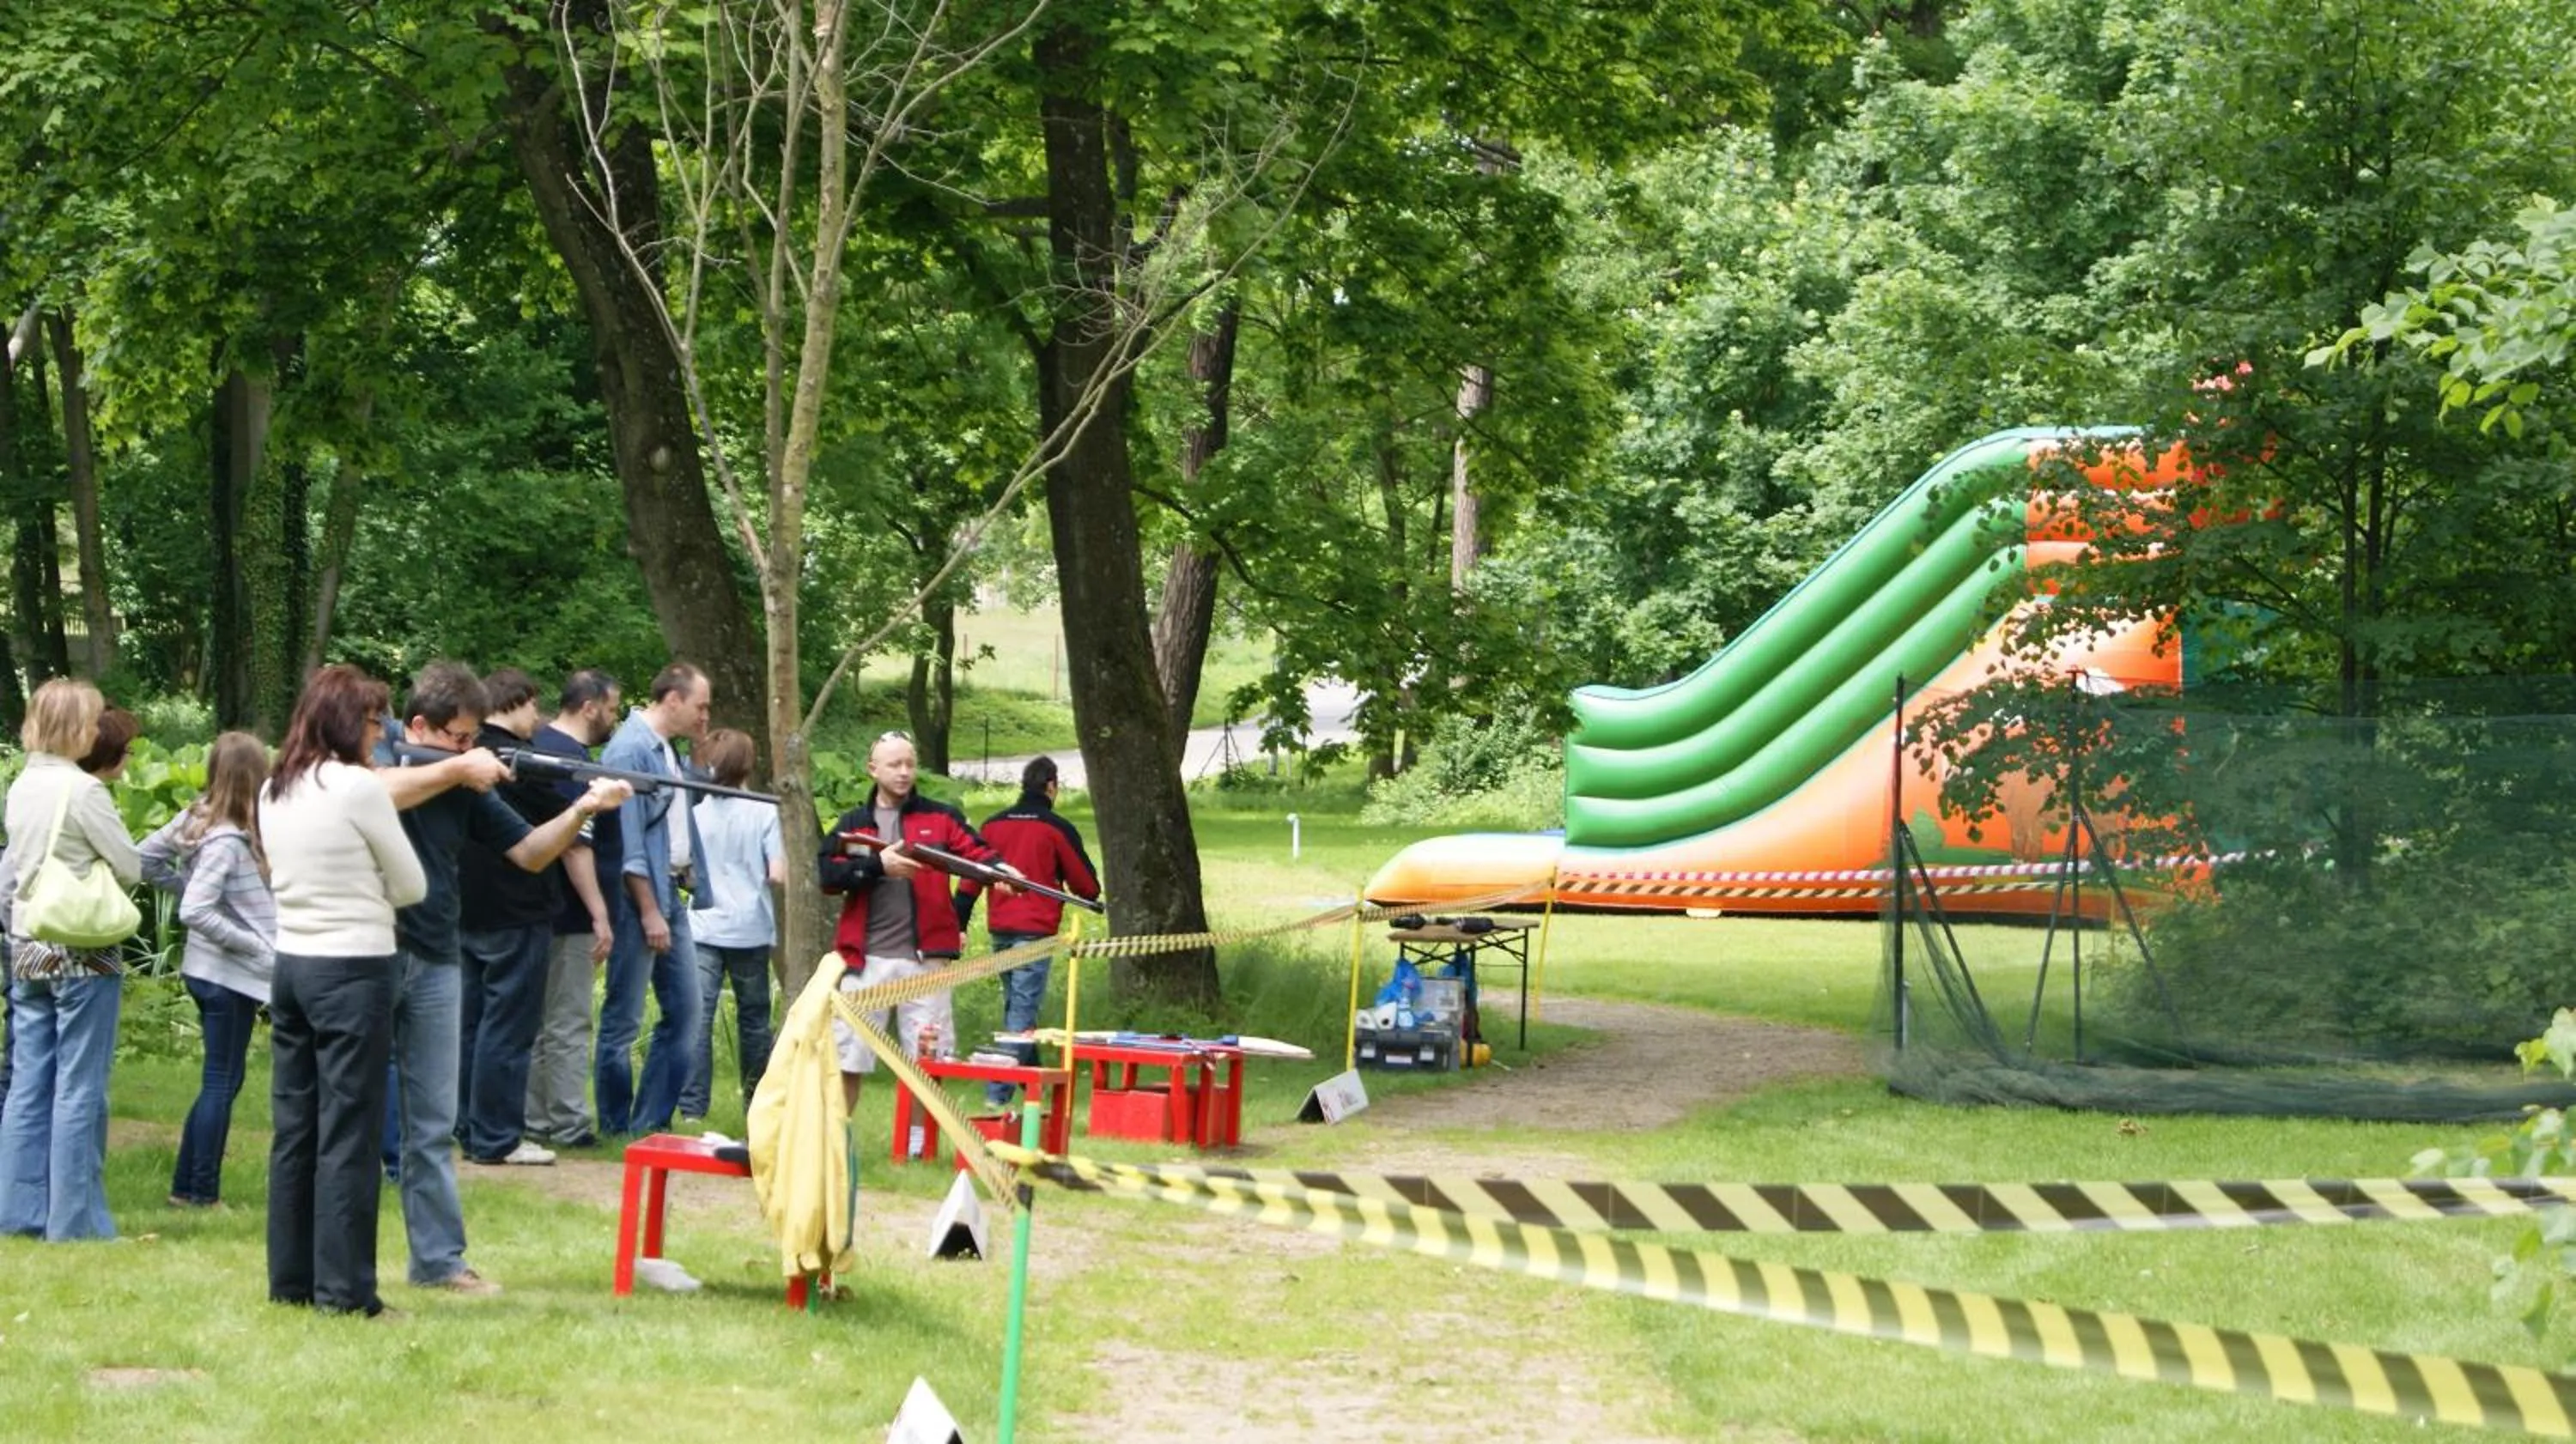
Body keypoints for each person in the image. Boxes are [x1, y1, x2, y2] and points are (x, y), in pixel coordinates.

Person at [374, 663, 629, 1297]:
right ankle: (336, 1259)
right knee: (352, 1117)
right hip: (369, 957)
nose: (469, 751)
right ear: (417, 728)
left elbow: (531, 852)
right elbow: (374, 790)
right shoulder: (378, 772)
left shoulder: (464, 788)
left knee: (432, 1126)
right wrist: (459, 766)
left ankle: (438, 1261)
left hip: (436, 955)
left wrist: (583, 810)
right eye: (458, 738)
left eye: (471, 741)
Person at [261, 667, 428, 1315]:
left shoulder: (277, 786)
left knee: (295, 1128)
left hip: (292, 965)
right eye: (372, 719)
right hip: (353, 964)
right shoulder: (358, 788)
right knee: (350, 1134)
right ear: (343, 722)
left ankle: (292, 1281)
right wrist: (367, 892)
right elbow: (411, 884)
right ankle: (346, 1291)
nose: (380, 730)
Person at [0, 682, 142, 1241]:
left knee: (30, 1081)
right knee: (81, 1084)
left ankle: (18, 1209)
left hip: (29, 937)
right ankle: (75, 1219)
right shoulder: (83, 792)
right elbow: (128, 866)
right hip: (85, 945)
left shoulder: (22, 784)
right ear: (74, 728)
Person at [817, 731, 1013, 1094]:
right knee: (848, 1060)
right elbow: (827, 876)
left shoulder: (942, 818)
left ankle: (919, 1148)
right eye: (894, 764)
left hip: (926, 963)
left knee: (928, 1063)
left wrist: (1003, 870)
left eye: (910, 763)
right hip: (865, 961)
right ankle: (839, 1142)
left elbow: (976, 852)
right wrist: (878, 865)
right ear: (873, 769)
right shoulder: (852, 824)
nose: (904, 772)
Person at [139, 731, 276, 1208]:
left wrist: (182, 882)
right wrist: (258, 948)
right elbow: (196, 910)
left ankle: (187, 1187)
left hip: (208, 970)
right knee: (221, 1081)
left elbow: (145, 859)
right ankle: (199, 1192)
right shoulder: (228, 840)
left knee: (223, 1079)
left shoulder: (197, 818)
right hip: (226, 973)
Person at [453, 669, 577, 1166]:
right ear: (515, 702)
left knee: (474, 1026)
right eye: (533, 706)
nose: (539, 717)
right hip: (516, 910)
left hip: (469, 909)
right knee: (507, 1027)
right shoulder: (512, 764)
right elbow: (556, 815)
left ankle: (469, 1126)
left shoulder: (461, 758)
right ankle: (497, 1135)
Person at [593, 663, 713, 1137]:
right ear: (673, 700)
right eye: (700, 706)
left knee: (686, 1011)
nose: (705, 715)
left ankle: (651, 1121)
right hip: (638, 897)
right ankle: (616, 1124)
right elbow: (628, 844)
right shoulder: (629, 749)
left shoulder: (666, 749)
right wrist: (648, 910)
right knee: (624, 1015)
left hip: (668, 892)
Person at [956, 755, 1100, 1106]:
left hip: (1001, 930)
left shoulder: (992, 826)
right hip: (1035, 933)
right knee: (1020, 1014)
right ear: (1051, 786)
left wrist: (958, 923)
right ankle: (996, 1095)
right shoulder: (1055, 827)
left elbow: (970, 882)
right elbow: (1087, 887)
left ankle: (1035, 1088)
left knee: (1018, 1009)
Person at [523, 670, 622, 1151]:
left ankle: (537, 1118)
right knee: (569, 1019)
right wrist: (600, 913)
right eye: (612, 709)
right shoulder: (569, 762)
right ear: (589, 706)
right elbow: (574, 845)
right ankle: (567, 1122)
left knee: (544, 1021)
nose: (614, 719)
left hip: (539, 907)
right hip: (566, 909)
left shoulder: (540, 745)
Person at [678, 728, 782, 1119]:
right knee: (753, 1019)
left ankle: (692, 1108)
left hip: (703, 925)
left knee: (699, 1017)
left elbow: (686, 872)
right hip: (750, 927)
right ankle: (755, 1104)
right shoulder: (765, 811)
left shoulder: (695, 814)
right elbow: (777, 873)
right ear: (747, 764)